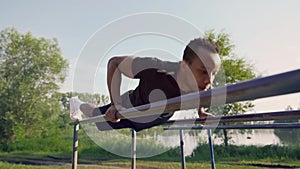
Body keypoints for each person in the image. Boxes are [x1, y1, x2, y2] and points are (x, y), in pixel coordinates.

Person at [70, 37, 221, 131]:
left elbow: (202, 92)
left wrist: (200, 112)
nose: (209, 81)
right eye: (203, 71)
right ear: (184, 65)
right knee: (96, 115)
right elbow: (114, 63)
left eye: (213, 73)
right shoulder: (155, 68)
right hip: (129, 109)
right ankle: (77, 103)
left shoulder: (202, 84)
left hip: (154, 117)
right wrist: (115, 104)